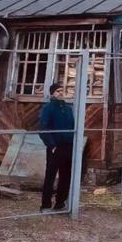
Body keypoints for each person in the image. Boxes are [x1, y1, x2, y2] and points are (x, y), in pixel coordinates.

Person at [38, 81, 75, 213]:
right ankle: (46, 204)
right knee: (50, 176)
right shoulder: (48, 108)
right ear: (52, 93)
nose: (61, 93)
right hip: (56, 146)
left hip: (68, 147)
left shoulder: (68, 109)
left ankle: (60, 203)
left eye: (62, 91)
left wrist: (73, 143)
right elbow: (42, 128)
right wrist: (52, 145)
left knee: (66, 176)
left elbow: (72, 127)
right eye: (58, 91)